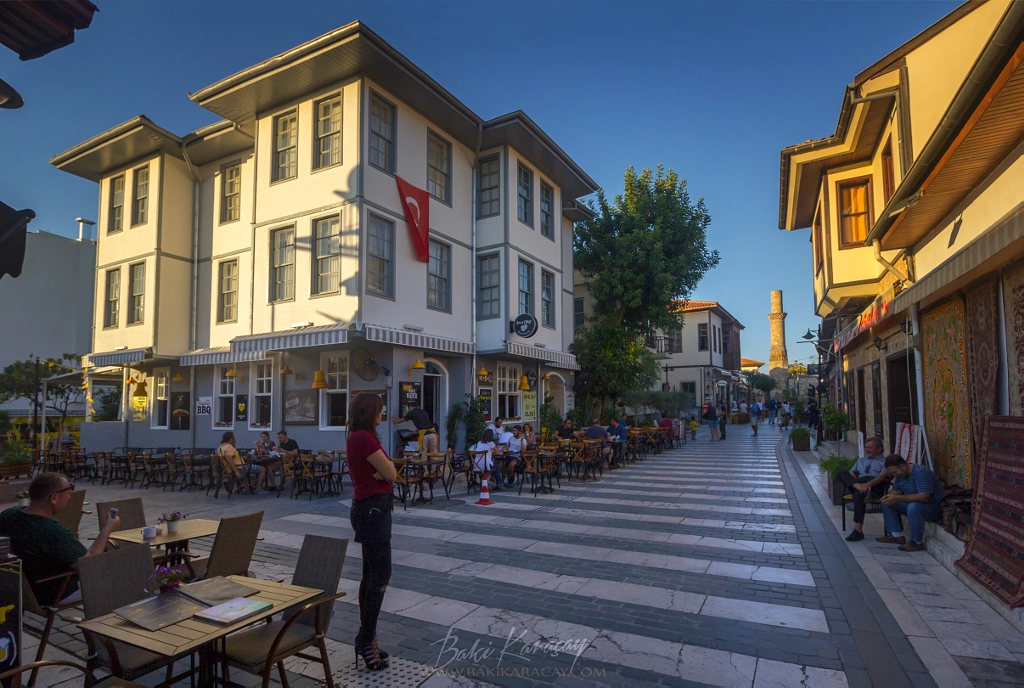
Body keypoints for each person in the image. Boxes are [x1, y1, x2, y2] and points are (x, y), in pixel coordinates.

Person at [0, 473, 121, 604]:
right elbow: (89, 565)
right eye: (68, 492)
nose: (69, 498)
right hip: (53, 592)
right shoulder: (52, 531)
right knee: (120, 578)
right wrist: (107, 529)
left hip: (19, 589)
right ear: (54, 498)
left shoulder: (9, 514)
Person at [346, 392, 398, 670]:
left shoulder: (356, 436)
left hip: (367, 508)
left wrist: (384, 470)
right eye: (379, 409)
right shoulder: (364, 438)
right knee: (380, 574)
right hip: (373, 510)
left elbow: (386, 471)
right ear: (369, 412)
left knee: (370, 574)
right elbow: (391, 473)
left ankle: (367, 636)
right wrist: (384, 471)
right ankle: (367, 640)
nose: (382, 413)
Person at [877, 455, 945, 552]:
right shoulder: (900, 475)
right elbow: (896, 491)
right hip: (912, 505)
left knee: (914, 506)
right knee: (887, 502)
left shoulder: (920, 473)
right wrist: (888, 497)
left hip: (932, 507)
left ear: (903, 466)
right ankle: (896, 535)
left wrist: (897, 498)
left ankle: (916, 542)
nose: (895, 475)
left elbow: (924, 497)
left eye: (895, 472)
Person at [837, 437, 889, 542]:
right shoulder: (861, 460)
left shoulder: (885, 462)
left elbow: (882, 476)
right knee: (840, 472)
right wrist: (859, 485)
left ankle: (858, 530)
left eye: (870, 447)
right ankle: (861, 489)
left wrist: (868, 484)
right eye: (866, 447)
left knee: (857, 495)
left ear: (879, 449)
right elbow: (851, 473)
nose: (867, 450)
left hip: (875, 485)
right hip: (861, 484)